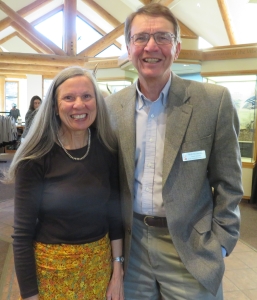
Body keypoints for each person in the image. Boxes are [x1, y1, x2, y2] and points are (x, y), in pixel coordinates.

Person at [106, 3, 243, 300]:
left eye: (163, 37)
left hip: (191, 246)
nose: (151, 46)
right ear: (129, 48)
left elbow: (229, 182)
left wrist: (220, 242)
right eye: (141, 37)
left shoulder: (213, 102)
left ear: (177, 48)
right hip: (134, 246)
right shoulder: (112, 107)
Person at [6, 66, 124, 300]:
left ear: (97, 103)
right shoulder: (35, 158)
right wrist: (30, 295)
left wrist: (117, 271)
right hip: (52, 272)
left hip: (99, 268)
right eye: (68, 97)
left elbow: (114, 216)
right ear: (54, 106)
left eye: (87, 96)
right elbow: (21, 236)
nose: (79, 105)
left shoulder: (107, 149)